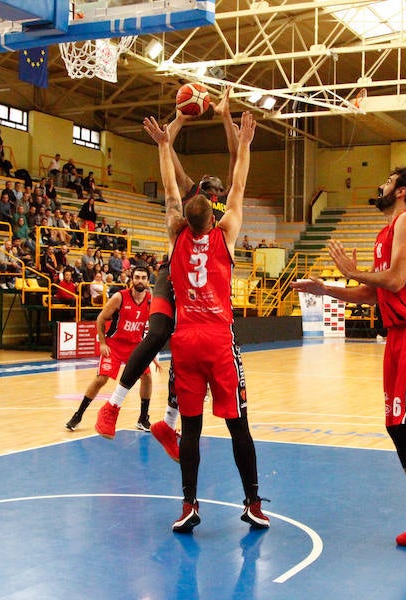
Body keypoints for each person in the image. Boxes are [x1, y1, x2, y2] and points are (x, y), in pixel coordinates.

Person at [291, 167, 406, 547]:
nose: (381, 184)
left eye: (388, 180)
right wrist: (327, 288)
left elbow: (393, 280)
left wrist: (354, 271)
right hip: (396, 333)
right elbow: (375, 294)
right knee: (396, 425)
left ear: (402, 190)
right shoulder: (385, 233)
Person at [140, 110, 268, 533]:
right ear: (212, 217)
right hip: (216, 339)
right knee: (238, 426)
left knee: (190, 430)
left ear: (184, 221)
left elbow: (170, 191)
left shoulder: (175, 234)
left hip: (184, 341)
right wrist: (244, 144)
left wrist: (163, 147)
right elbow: (239, 187)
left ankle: (189, 504)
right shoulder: (224, 233)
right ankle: (251, 502)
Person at [99, 89, 240, 462]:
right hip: (175, 274)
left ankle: (168, 421)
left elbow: (238, 159)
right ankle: (113, 404)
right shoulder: (192, 203)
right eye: (211, 189)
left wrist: (225, 117)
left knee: (189, 353)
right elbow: (172, 175)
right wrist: (171, 132)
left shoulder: (223, 211)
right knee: (159, 333)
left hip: (207, 290)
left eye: (219, 189)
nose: (216, 192)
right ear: (202, 193)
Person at [65, 267, 155, 433]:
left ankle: (143, 418)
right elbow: (101, 318)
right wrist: (103, 343)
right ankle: (78, 415)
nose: (140, 280)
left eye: (143, 277)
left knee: (147, 377)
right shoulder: (119, 297)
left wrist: (150, 351)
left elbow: (151, 328)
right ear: (132, 279)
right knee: (101, 379)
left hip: (135, 346)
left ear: (148, 280)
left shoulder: (151, 301)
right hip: (114, 344)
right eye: (137, 277)